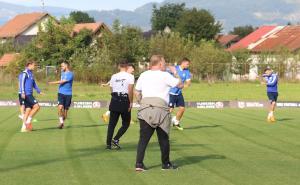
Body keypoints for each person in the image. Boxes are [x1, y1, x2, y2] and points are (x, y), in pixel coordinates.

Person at [135, 55, 183, 172]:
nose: (165, 65)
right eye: (164, 62)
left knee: (143, 139)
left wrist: (142, 102)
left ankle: (139, 164)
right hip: (161, 109)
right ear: (160, 63)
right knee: (163, 138)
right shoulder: (165, 75)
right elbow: (180, 85)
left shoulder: (143, 75)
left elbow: (137, 92)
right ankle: (165, 164)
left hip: (145, 108)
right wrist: (175, 72)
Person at [105, 61, 134, 150]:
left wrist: (115, 97)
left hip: (114, 100)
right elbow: (130, 90)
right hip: (124, 100)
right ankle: (116, 139)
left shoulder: (114, 76)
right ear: (126, 67)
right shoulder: (130, 76)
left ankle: (108, 145)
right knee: (126, 123)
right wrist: (131, 102)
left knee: (112, 124)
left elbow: (111, 88)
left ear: (119, 66)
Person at [49, 61, 74, 129]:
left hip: (68, 94)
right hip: (60, 93)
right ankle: (61, 122)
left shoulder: (70, 74)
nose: (61, 67)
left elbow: (62, 81)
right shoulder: (62, 73)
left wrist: (52, 83)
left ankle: (62, 121)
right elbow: (61, 79)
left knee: (65, 114)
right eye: (61, 66)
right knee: (60, 107)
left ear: (66, 66)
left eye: (62, 66)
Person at [168, 58, 192, 131]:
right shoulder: (175, 68)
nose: (188, 65)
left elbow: (188, 82)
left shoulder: (187, 71)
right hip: (170, 92)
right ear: (183, 63)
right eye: (187, 64)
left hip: (178, 93)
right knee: (170, 110)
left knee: (182, 108)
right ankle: (161, 124)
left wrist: (185, 85)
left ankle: (176, 122)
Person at [20, 60, 43, 132]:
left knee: (28, 110)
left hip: (30, 94)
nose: (34, 67)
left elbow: (34, 84)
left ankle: (24, 127)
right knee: (37, 106)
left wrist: (39, 91)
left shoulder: (31, 74)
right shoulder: (25, 73)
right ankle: (28, 121)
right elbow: (21, 83)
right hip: (27, 94)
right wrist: (23, 92)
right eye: (34, 65)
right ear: (29, 65)